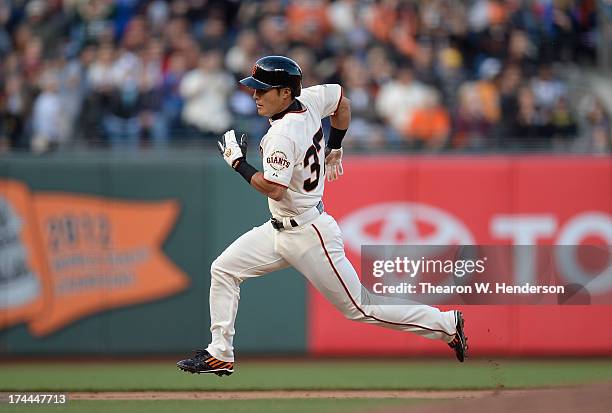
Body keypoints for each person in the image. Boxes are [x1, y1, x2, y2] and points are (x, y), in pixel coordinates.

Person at [176, 56, 468, 377]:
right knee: (224, 269)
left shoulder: (283, 134)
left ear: (286, 93)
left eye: (263, 90)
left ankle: (445, 324)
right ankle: (220, 353)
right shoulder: (312, 99)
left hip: (308, 233)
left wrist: (238, 163)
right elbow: (343, 102)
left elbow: (273, 188)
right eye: (255, 89)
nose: (255, 96)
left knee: (360, 307)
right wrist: (336, 145)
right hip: (279, 230)